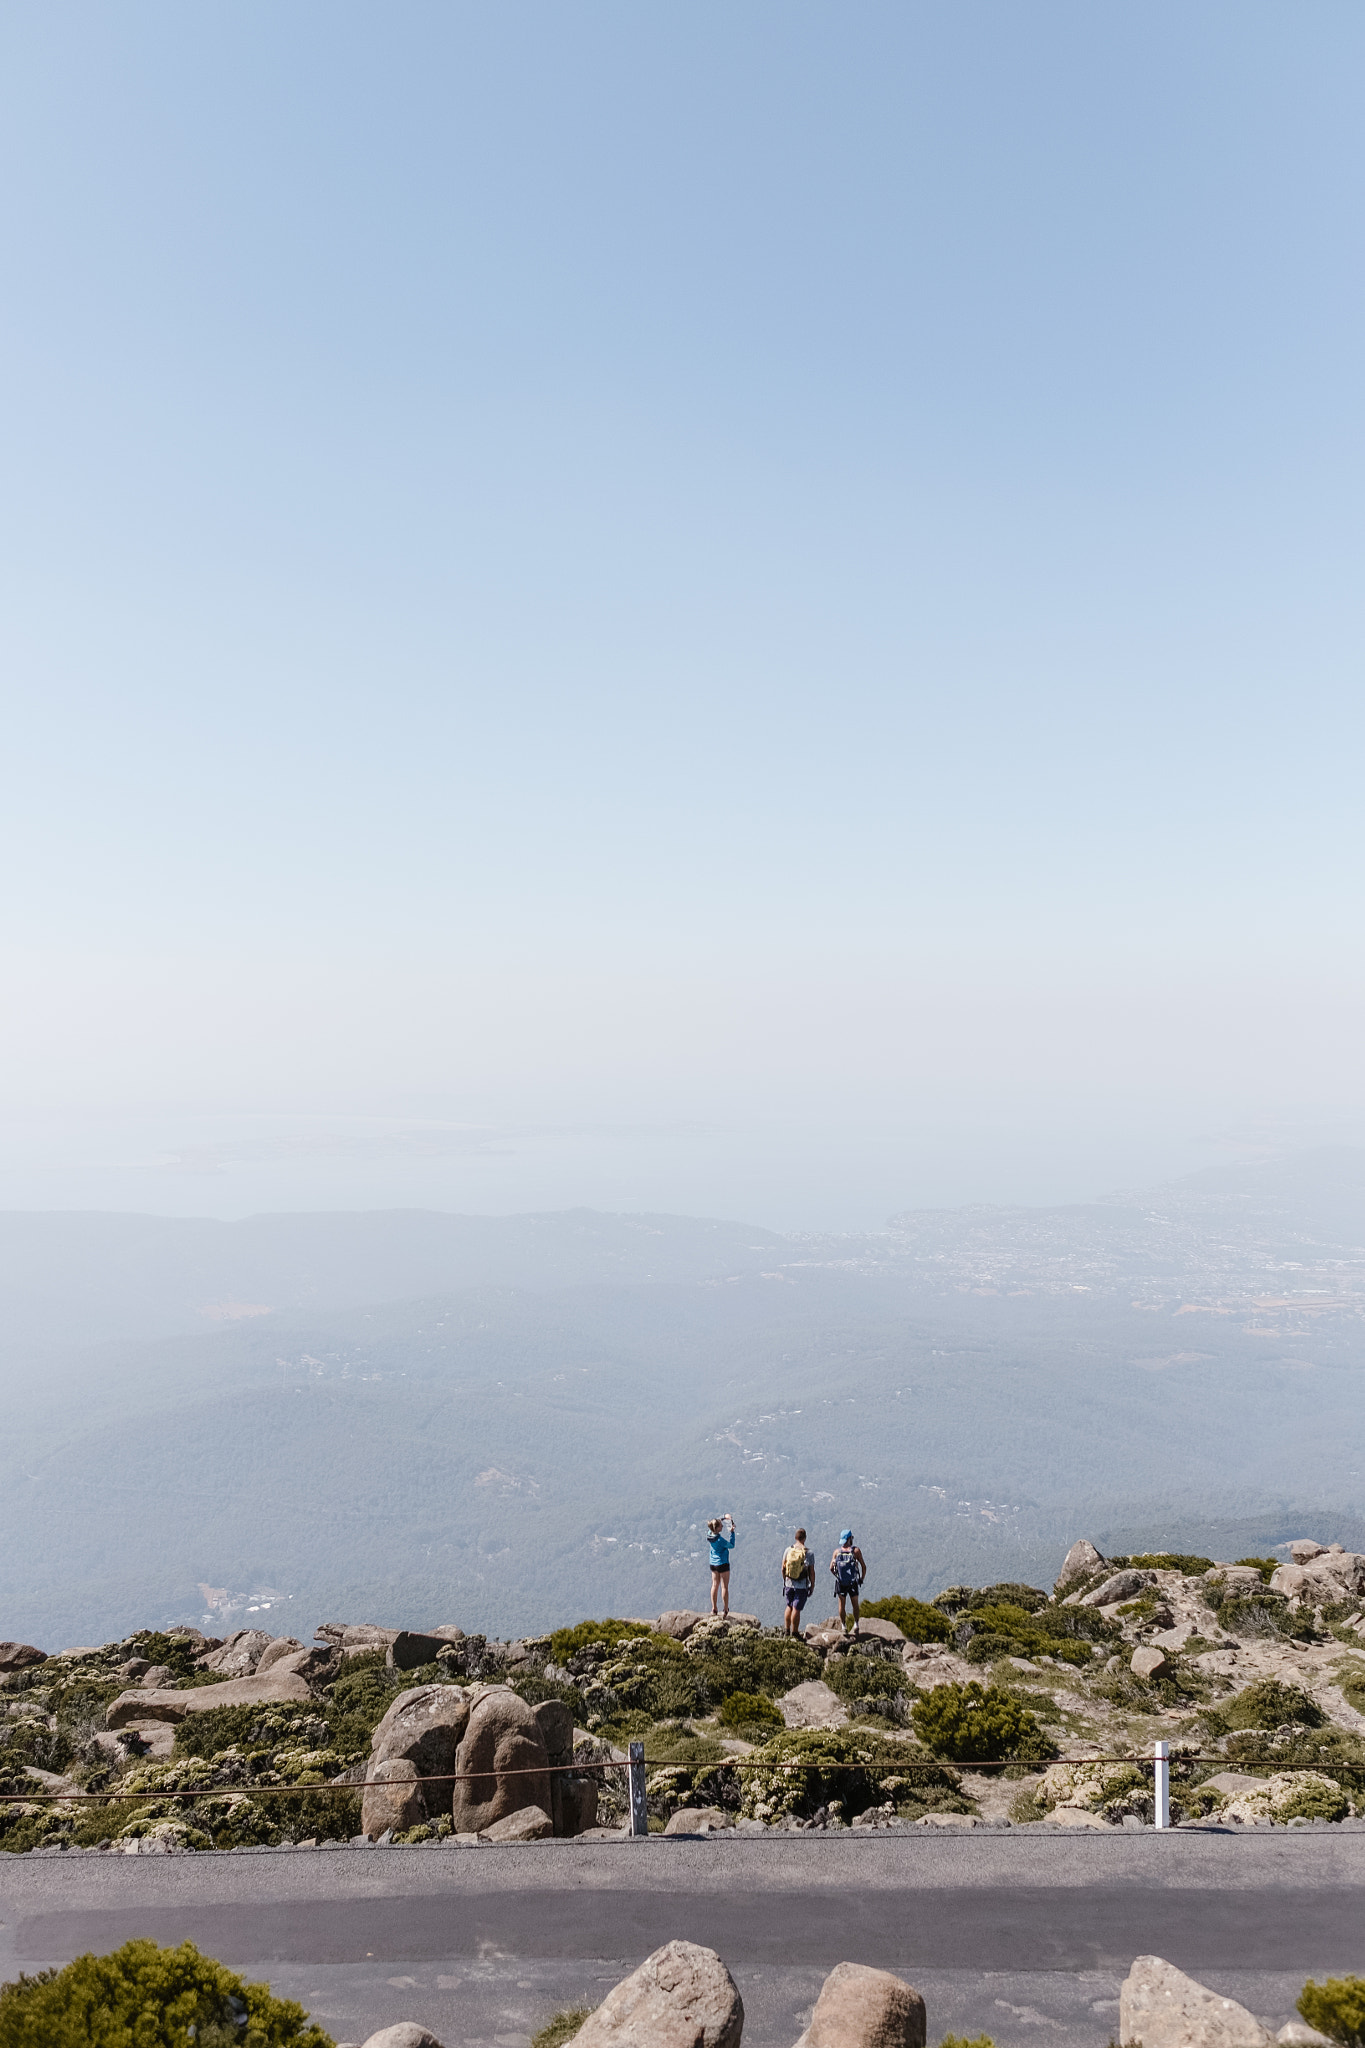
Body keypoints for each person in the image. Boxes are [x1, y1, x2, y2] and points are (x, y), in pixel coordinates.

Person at [829, 1528, 867, 1636]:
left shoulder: (837, 1552)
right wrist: (861, 1579)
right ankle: (856, 1624)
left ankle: (843, 1626)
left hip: (841, 1583)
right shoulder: (855, 1551)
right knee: (855, 1604)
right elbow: (864, 1566)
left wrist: (838, 1576)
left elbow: (831, 1568)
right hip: (853, 1582)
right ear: (850, 1539)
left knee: (842, 1604)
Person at [781, 1527, 814, 1637]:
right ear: (804, 1538)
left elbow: (783, 1568)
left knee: (789, 1606)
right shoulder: (808, 1553)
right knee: (796, 1608)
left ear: (795, 1537)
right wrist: (812, 1585)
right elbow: (811, 1571)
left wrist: (785, 1580)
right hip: (801, 1585)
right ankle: (794, 1632)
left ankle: (786, 1630)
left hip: (789, 1583)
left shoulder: (788, 1550)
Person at [707, 1513, 736, 1615]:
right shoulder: (720, 1540)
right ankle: (725, 1609)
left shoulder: (709, 1534)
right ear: (717, 1528)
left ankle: (714, 1608)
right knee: (724, 1587)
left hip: (713, 1564)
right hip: (723, 1564)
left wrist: (724, 1517)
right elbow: (731, 1545)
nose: (722, 1526)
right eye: (721, 1526)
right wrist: (732, 1533)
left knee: (714, 1585)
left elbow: (714, 1522)